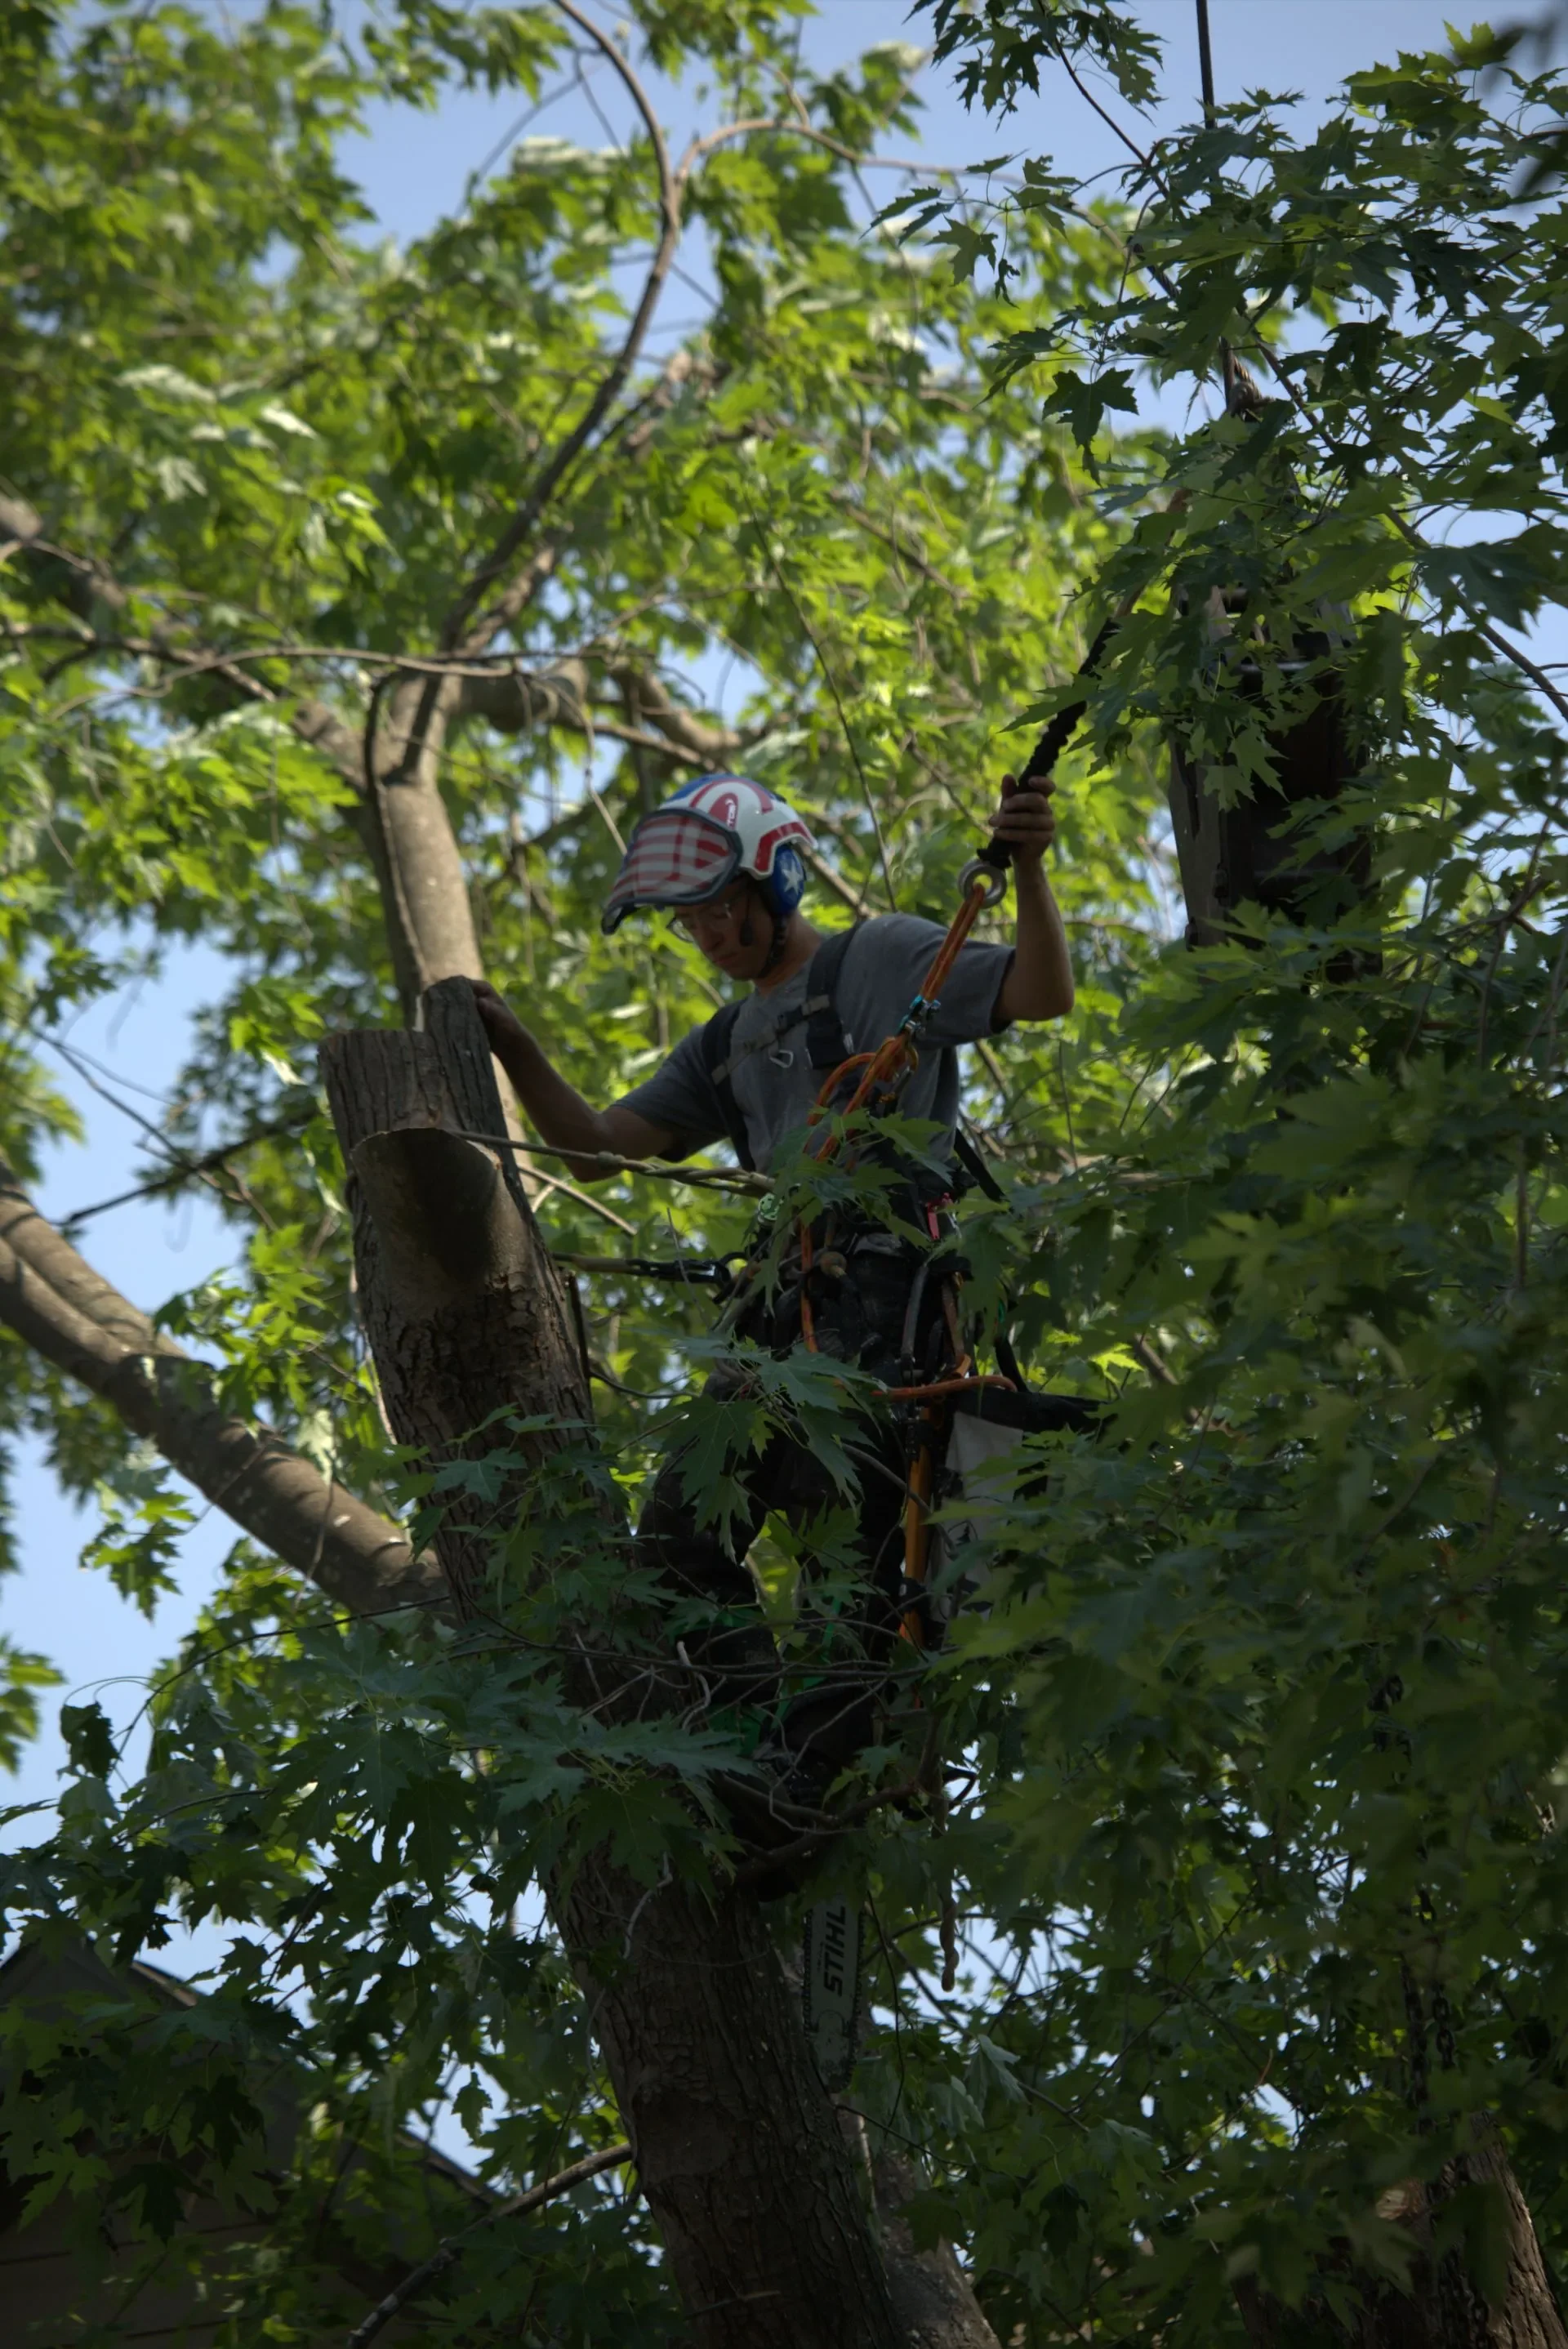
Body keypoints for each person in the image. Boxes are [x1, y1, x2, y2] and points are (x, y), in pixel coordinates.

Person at [474, 769, 1073, 1820]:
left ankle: (811, 1782)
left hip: (885, 1300)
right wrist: (515, 1044)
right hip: (780, 1308)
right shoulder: (728, 1041)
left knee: (852, 1555)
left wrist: (1024, 864)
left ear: (775, 880)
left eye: (717, 905)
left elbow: (1038, 992)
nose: (704, 931)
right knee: (675, 1535)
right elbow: (603, 1151)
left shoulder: (879, 958)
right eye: (687, 917)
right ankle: (751, 1736)